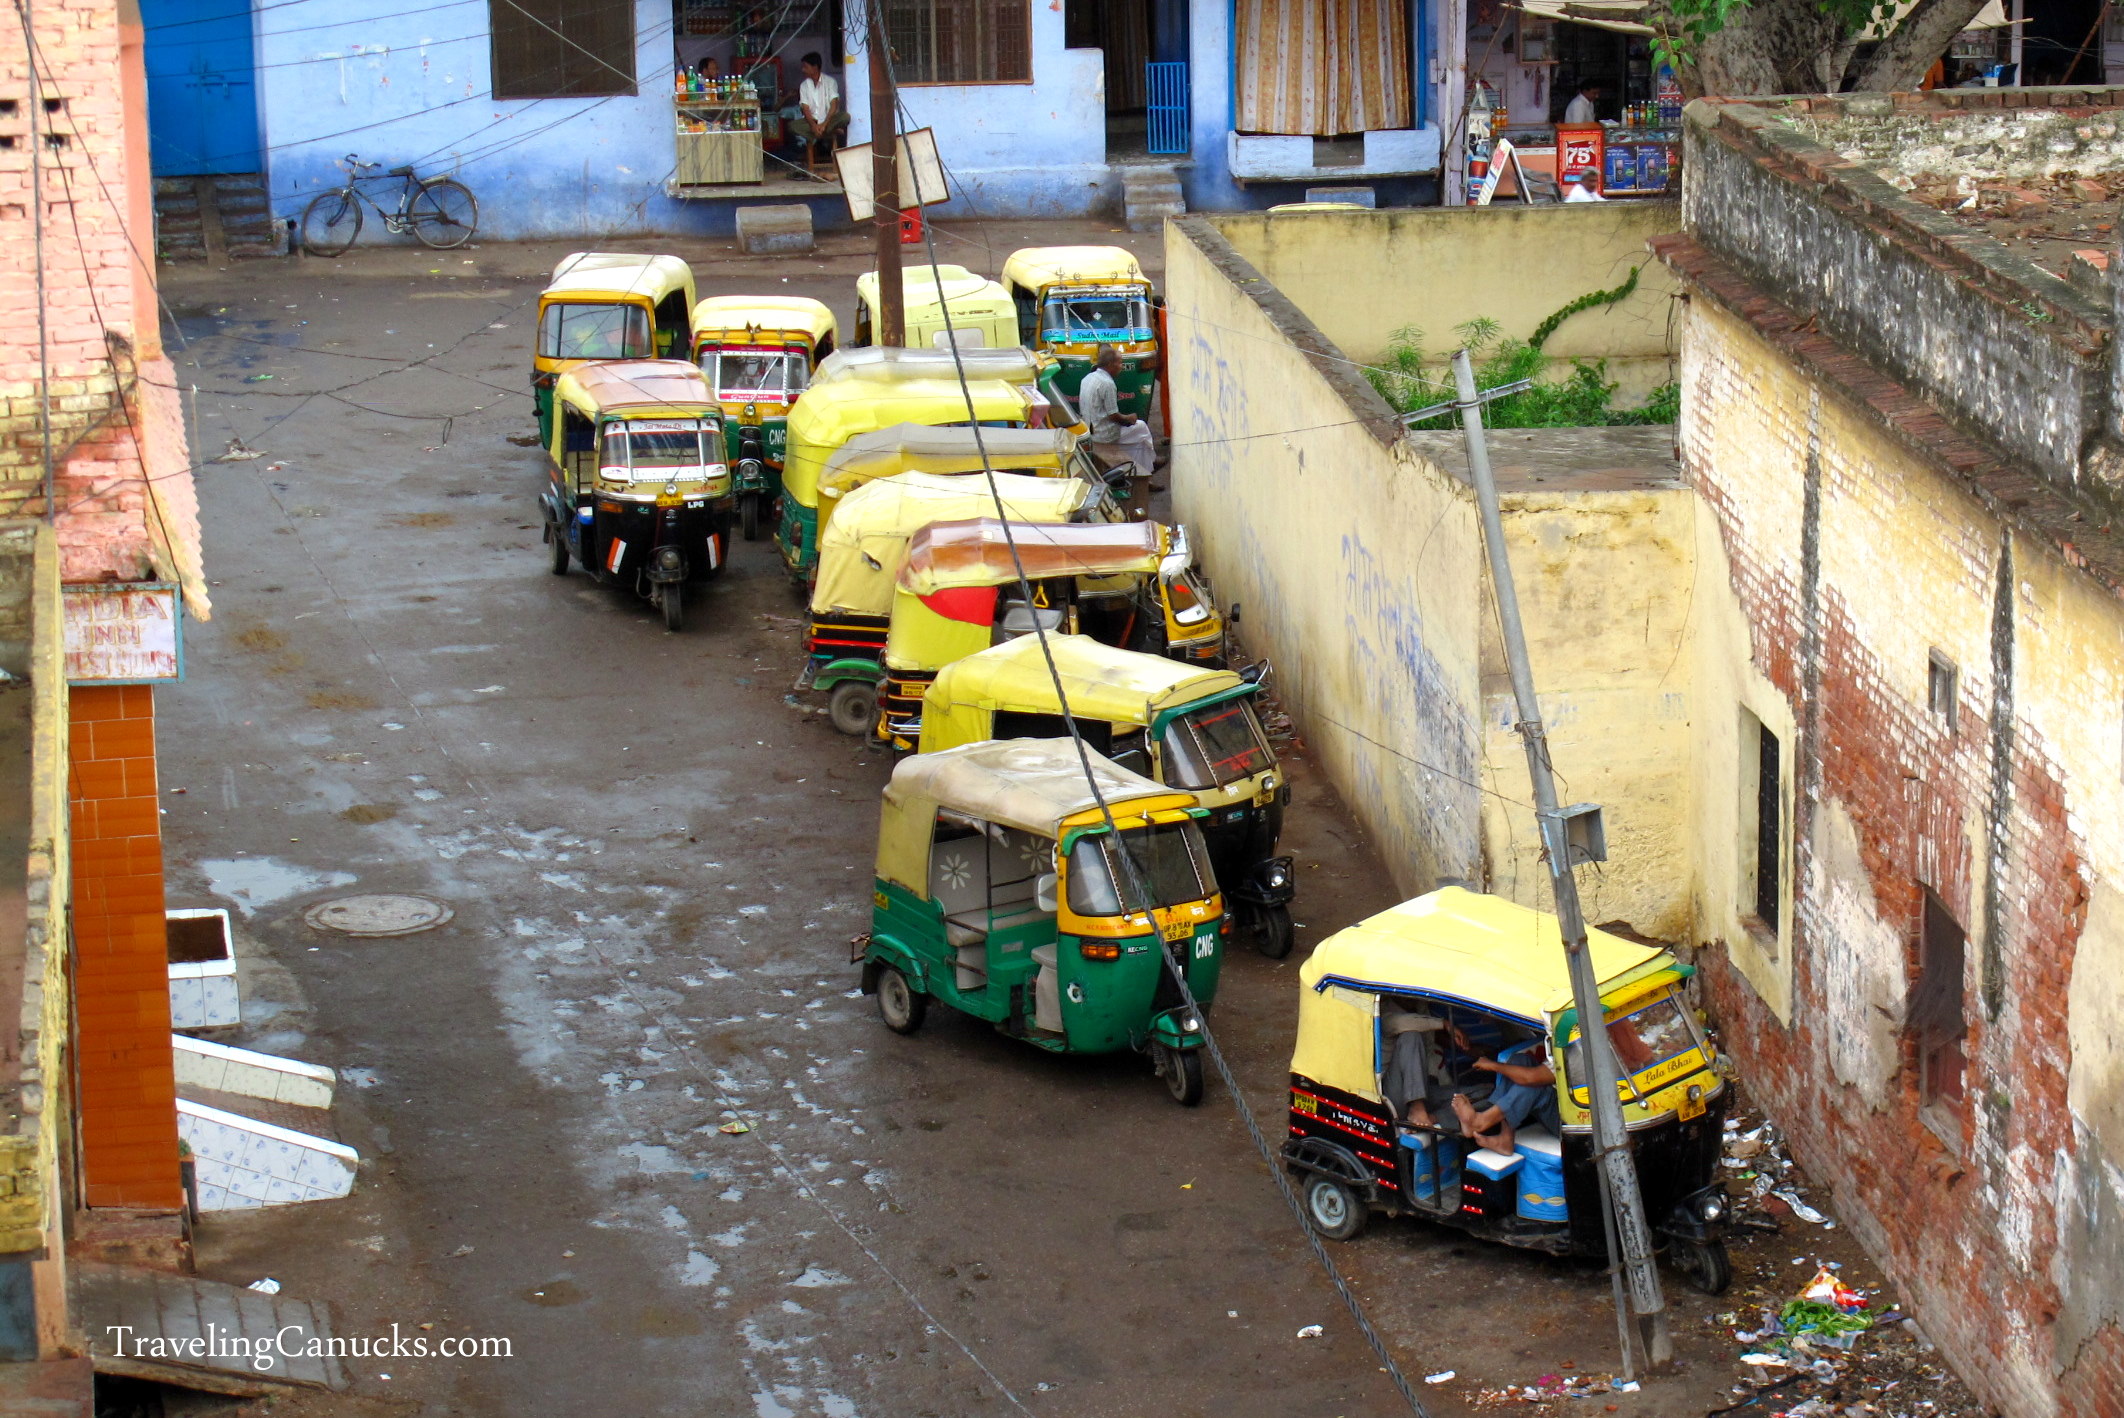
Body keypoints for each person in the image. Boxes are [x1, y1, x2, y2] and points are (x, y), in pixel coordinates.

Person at [1449, 1031, 1560, 1155]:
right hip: (1560, 1098)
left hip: (1572, 1123)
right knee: (1521, 1060)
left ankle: (1479, 1122)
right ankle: (1505, 1139)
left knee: (1533, 1086)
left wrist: (1493, 1065)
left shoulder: (1577, 1050)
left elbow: (1531, 1078)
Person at [1080, 344, 1157, 483]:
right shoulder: (1107, 384)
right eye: (1120, 363)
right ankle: (1150, 468)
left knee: (1139, 438)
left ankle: (1147, 465)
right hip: (1103, 435)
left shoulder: (1087, 378)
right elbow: (1114, 416)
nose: (1122, 366)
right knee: (1141, 428)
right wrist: (1129, 418)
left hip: (1090, 430)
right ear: (1110, 364)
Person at [788, 53, 847, 157]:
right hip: (812, 121)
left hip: (828, 120)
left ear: (815, 67)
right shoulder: (804, 85)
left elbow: (834, 105)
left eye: (805, 67)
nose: (803, 70)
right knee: (792, 126)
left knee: (845, 117)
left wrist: (824, 124)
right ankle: (826, 131)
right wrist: (813, 125)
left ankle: (818, 132)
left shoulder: (830, 82)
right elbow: (805, 108)